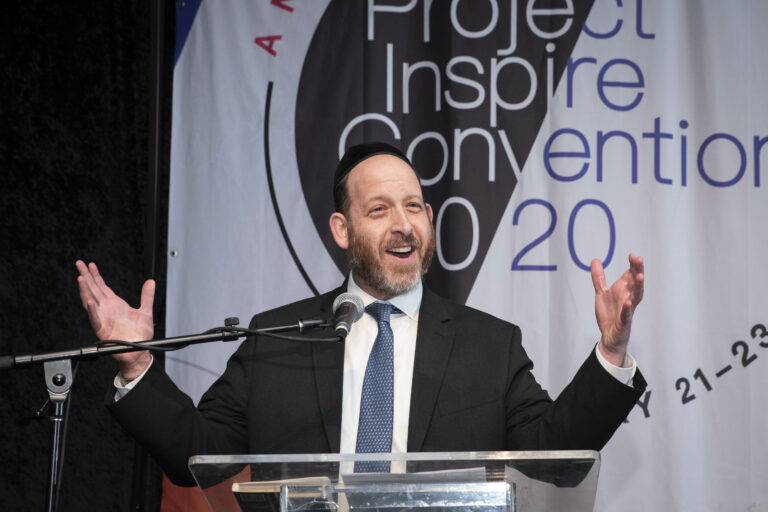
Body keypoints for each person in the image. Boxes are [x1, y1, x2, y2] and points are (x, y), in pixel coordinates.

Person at [76, 142, 646, 486]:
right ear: (342, 230)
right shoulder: (277, 338)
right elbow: (196, 455)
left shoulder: (489, 346)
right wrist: (137, 366)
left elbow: (552, 456)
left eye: (414, 206)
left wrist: (611, 353)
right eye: (379, 209)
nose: (404, 225)